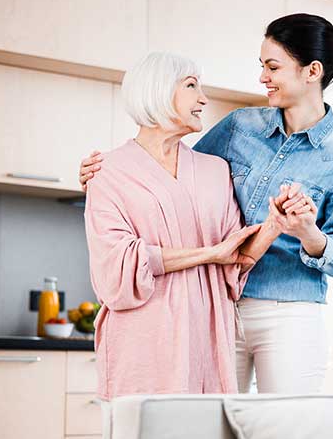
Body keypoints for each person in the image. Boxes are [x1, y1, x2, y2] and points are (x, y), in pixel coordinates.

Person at [80, 14, 333, 393]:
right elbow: (170, 173)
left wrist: (307, 231)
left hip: (289, 313)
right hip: (218, 307)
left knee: (285, 433)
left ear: (311, 71)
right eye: (261, 66)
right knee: (216, 430)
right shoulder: (240, 127)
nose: (263, 76)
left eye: (272, 67)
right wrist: (99, 176)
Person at [85, 51, 281, 399]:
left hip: (207, 342)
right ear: (158, 91)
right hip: (142, 345)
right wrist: (208, 253)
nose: (203, 98)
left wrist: (275, 225)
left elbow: (232, 261)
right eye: (192, 85)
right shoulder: (107, 172)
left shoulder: (216, 170)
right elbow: (115, 269)